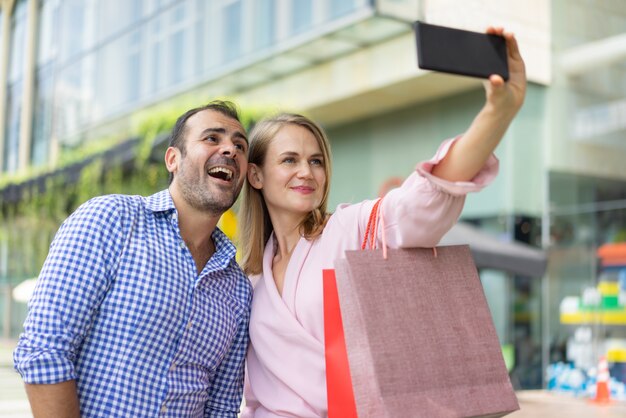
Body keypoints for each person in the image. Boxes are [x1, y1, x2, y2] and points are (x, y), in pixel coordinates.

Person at [239, 27, 526, 418]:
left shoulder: (351, 228)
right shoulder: (248, 277)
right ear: (255, 176)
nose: (306, 171)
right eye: (289, 160)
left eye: (316, 160)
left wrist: (498, 112)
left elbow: (424, 200)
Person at [14, 101, 252, 417]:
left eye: (240, 145)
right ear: (173, 159)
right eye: (212, 138)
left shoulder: (237, 288)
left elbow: (221, 406)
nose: (230, 150)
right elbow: (44, 351)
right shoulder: (111, 220)